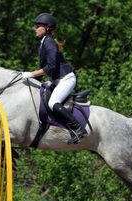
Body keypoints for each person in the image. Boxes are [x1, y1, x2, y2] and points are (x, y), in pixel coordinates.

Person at [22, 13, 87, 144]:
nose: (35, 29)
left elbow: (51, 67)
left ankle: (78, 128)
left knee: (53, 103)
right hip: (57, 80)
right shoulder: (43, 42)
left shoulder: (49, 42)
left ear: (47, 28)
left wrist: (31, 74)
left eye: (38, 26)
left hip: (66, 79)